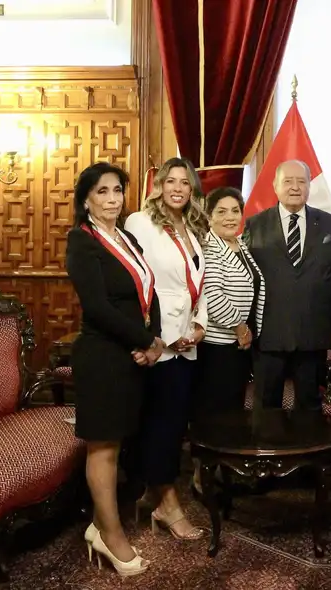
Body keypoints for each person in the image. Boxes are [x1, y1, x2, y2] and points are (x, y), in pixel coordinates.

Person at [66, 162, 162, 576]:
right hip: (102, 357)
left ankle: (101, 525)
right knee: (102, 449)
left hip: (133, 358)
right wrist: (146, 341)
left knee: (120, 444)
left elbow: (148, 293)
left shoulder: (127, 237)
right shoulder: (81, 241)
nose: (112, 199)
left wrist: (152, 340)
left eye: (118, 191)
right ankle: (109, 533)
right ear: (86, 198)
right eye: (102, 192)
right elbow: (98, 308)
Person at [124, 157, 209, 541]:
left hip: (187, 342)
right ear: (159, 185)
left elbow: (200, 283)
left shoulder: (193, 227)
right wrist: (163, 332)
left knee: (174, 425)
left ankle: (150, 494)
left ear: (192, 190)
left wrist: (201, 325)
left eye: (185, 183)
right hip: (158, 341)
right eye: (171, 181)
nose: (178, 188)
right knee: (160, 425)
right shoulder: (139, 222)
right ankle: (167, 505)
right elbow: (140, 283)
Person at [244, 160, 331, 411]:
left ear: (310, 186)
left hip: (313, 331)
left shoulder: (330, 224)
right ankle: (269, 448)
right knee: (267, 405)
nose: (295, 187)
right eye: (288, 181)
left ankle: (309, 450)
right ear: (275, 186)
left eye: (301, 181)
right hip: (268, 332)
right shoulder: (254, 225)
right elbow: (248, 281)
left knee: (310, 405)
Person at [195, 186, 265, 416]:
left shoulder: (239, 244)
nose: (230, 217)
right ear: (209, 216)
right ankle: (211, 453)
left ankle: (227, 452)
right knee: (217, 412)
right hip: (219, 346)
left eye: (235, 211)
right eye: (221, 212)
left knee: (233, 410)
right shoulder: (210, 248)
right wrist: (241, 328)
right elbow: (213, 296)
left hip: (237, 347)